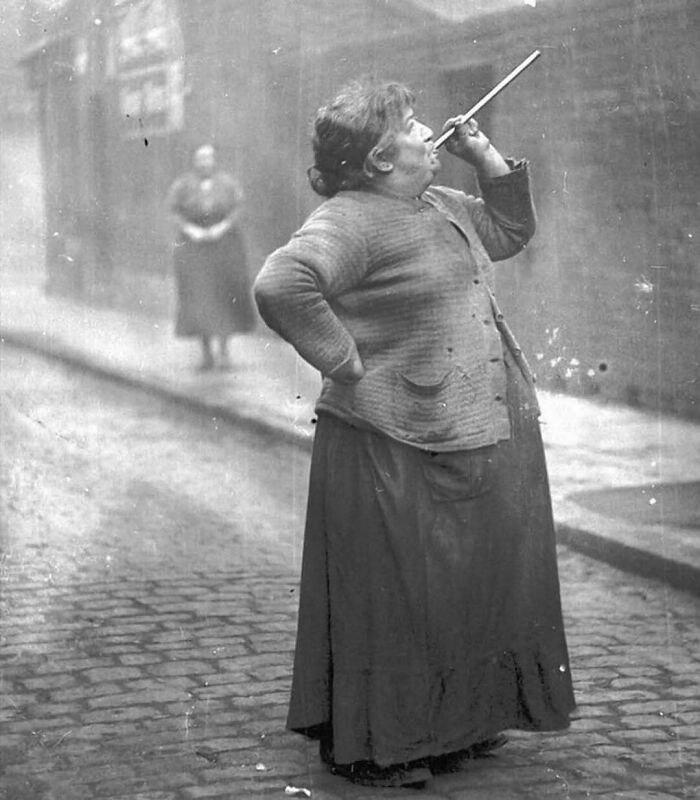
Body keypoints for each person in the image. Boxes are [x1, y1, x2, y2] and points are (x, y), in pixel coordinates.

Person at [254, 80, 575, 789]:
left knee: (467, 582)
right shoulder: (350, 222)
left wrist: (483, 154)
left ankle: (455, 725)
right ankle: (383, 744)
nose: (433, 131)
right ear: (375, 159)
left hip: (473, 420)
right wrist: (346, 361)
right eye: (412, 125)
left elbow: (513, 232)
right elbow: (282, 285)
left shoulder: (439, 202)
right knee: (398, 595)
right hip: (390, 438)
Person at [166, 143, 255, 370]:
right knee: (199, 297)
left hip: (223, 245)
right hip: (194, 247)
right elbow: (173, 211)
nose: (204, 163)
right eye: (200, 158)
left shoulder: (228, 184)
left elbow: (239, 208)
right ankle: (206, 354)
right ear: (194, 161)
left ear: (214, 160)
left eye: (208, 158)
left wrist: (222, 227)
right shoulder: (183, 185)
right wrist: (190, 230)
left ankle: (224, 351)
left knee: (225, 295)